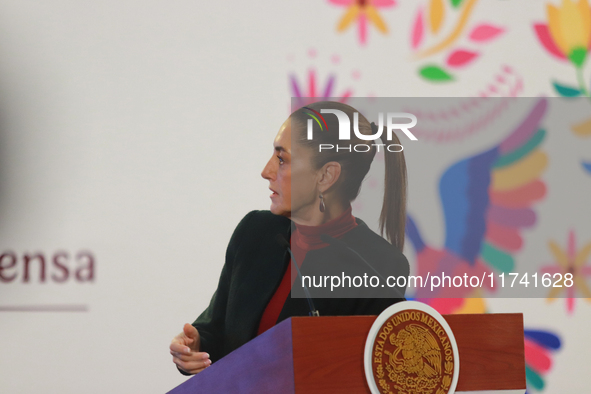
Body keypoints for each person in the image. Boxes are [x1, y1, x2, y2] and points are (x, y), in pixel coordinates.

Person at [170, 101, 410, 375]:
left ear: (326, 175)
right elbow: (217, 327)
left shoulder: (379, 266)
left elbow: (361, 375)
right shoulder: (255, 231)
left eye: (282, 159)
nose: (266, 171)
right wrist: (196, 344)